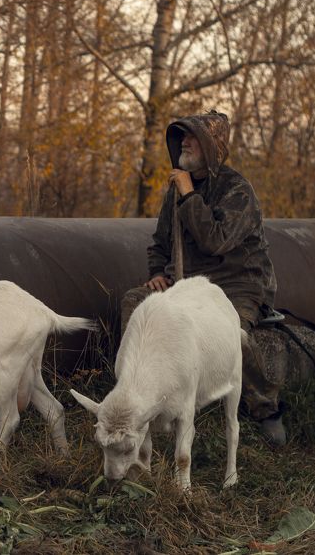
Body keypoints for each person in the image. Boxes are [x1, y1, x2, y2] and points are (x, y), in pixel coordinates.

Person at [120, 110, 286, 446]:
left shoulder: (237, 190)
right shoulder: (178, 189)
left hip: (236, 283)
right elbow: (160, 244)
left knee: (231, 333)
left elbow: (216, 240)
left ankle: (264, 407)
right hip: (188, 284)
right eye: (182, 136)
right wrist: (157, 274)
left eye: (193, 137)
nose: (184, 141)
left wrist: (190, 196)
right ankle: (133, 396)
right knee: (134, 302)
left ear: (212, 147)